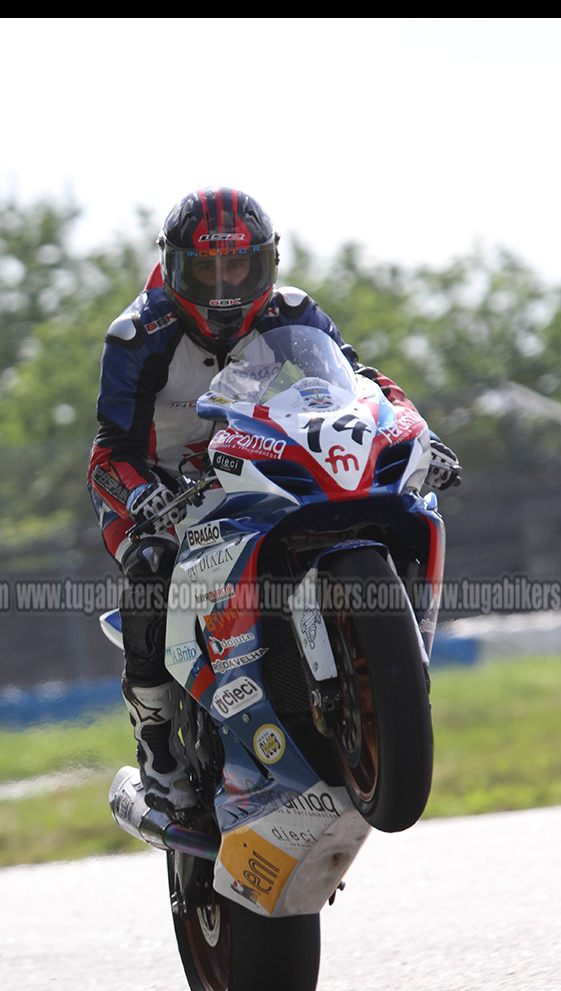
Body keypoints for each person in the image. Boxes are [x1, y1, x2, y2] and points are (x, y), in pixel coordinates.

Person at [88, 186, 460, 819]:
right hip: (163, 488)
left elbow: (359, 382)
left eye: (238, 265)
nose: (224, 285)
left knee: (387, 504)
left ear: (266, 263)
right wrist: (145, 494)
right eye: (205, 267)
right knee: (152, 568)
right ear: (177, 267)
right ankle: (159, 753)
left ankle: (357, 669)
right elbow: (111, 446)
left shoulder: (294, 313)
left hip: (258, 463)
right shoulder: (138, 335)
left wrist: (415, 430)